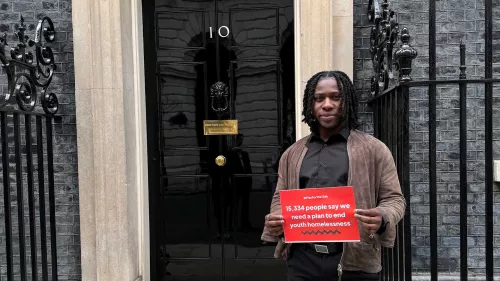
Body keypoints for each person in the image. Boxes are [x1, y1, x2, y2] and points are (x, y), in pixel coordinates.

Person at [261, 70, 406, 281]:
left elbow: (395, 199)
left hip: (355, 263)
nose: (327, 104)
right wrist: (277, 217)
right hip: (302, 261)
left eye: (335, 97)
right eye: (319, 98)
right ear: (311, 104)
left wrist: (383, 216)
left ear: (346, 101)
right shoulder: (292, 153)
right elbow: (279, 198)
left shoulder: (374, 149)